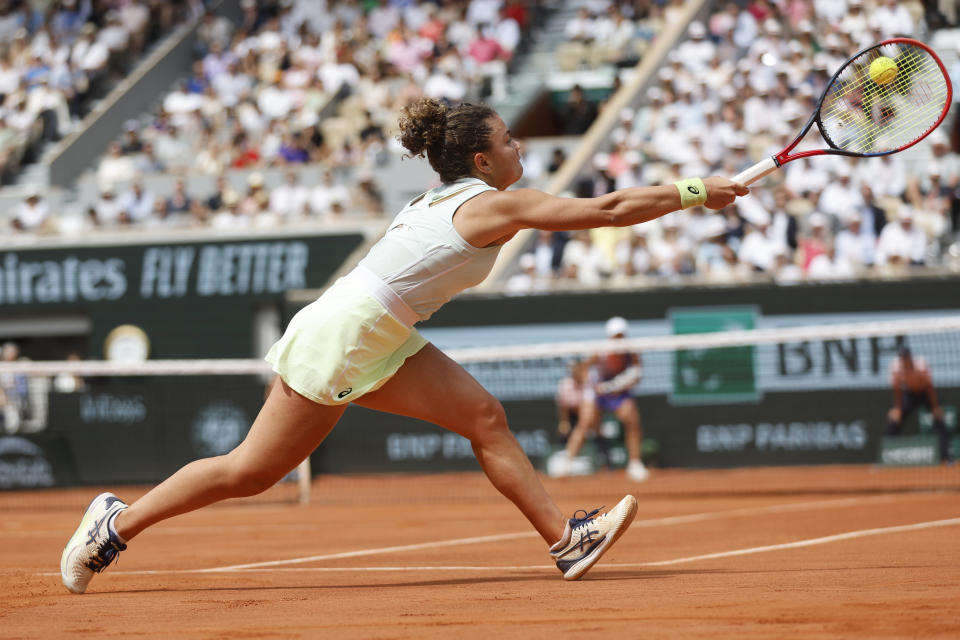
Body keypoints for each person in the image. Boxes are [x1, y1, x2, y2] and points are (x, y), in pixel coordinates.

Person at [61, 98, 747, 592]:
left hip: (378, 331)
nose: (520, 150)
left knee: (483, 418)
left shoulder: (439, 200)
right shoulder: (489, 204)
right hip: (349, 331)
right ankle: (114, 527)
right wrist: (694, 191)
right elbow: (606, 211)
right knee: (251, 472)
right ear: (481, 159)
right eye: (509, 141)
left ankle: (567, 543)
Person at [553, 317, 650, 482]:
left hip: (618, 392)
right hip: (597, 393)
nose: (618, 338)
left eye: (621, 335)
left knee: (632, 418)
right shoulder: (600, 351)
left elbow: (637, 374)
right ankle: (566, 465)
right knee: (584, 423)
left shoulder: (631, 352)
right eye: (615, 335)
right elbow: (584, 368)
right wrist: (591, 383)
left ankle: (635, 464)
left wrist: (613, 386)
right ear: (609, 336)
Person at [887, 347, 952, 463]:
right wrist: (897, 408)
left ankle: (946, 456)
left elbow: (929, 387)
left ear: (910, 357)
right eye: (902, 358)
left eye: (905, 357)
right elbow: (896, 388)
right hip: (909, 394)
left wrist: (935, 407)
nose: (904, 360)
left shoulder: (921, 365)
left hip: (924, 393)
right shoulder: (896, 367)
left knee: (939, 420)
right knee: (894, 420)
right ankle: (887, 455)